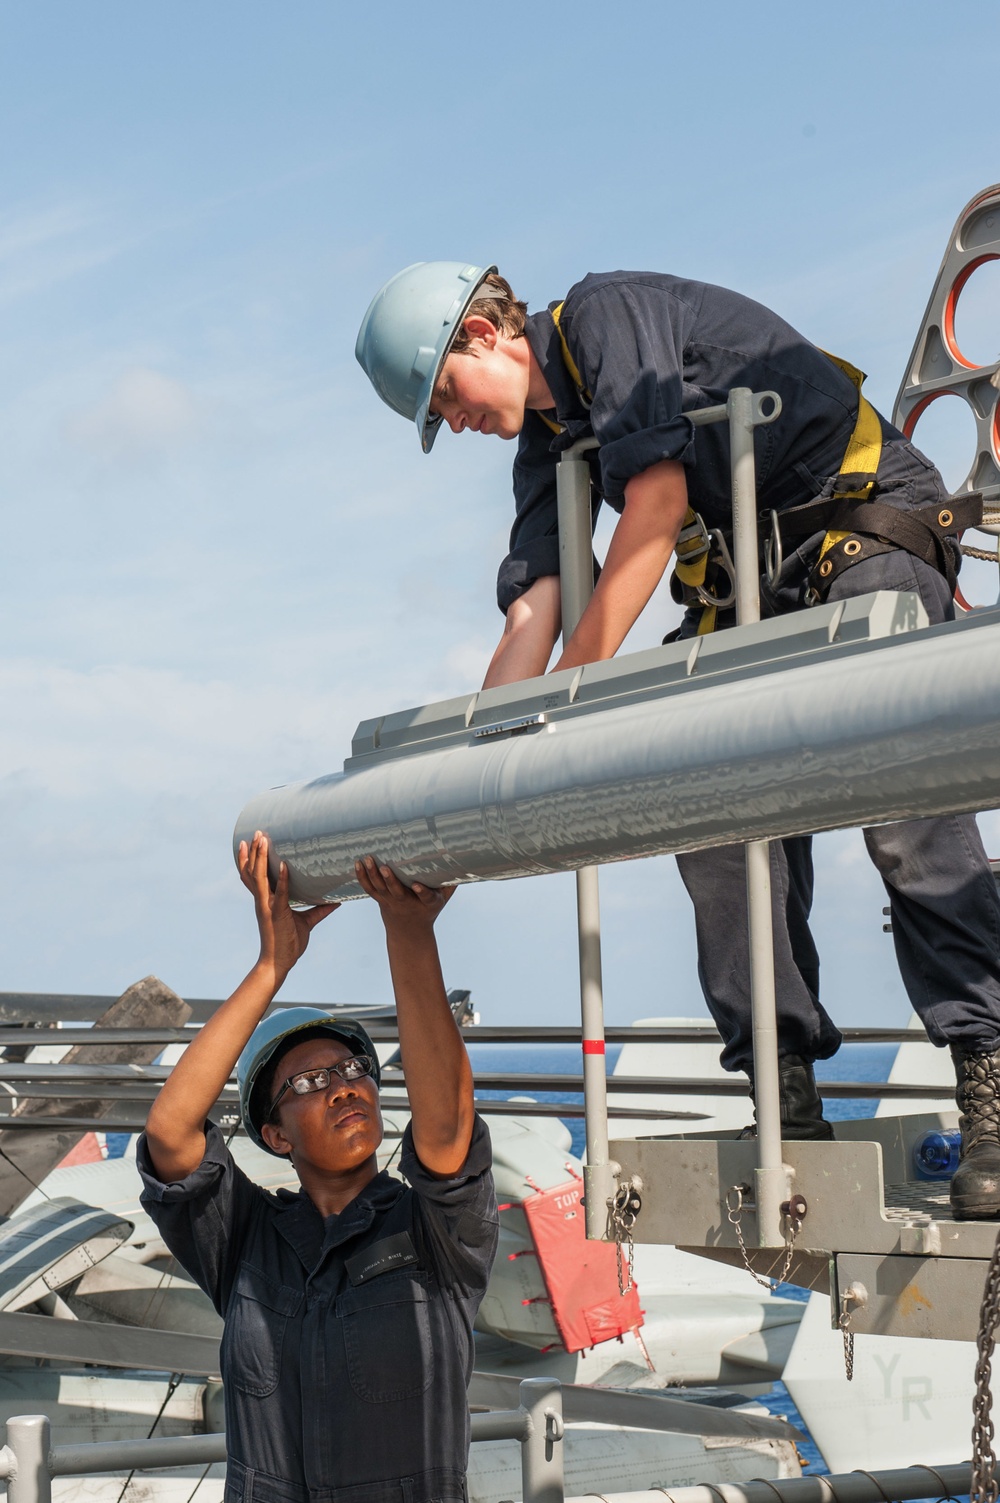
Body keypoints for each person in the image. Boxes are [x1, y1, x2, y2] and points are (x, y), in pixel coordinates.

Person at [356, 260, 1000, 1220]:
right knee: (707, 820)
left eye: (444, 395)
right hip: (750, 586)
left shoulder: (610, 318)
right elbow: (538, 607)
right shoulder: (549, 441)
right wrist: (469, 778)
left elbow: (653, 512)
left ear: (484, 335)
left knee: (904, 810)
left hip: (861, 531)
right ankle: (783, 1092)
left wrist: (569, 700)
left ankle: (988, 1080)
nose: (454, 421)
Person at [139, 832, 498, 1502]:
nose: (342, 1086)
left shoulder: (436, 1233)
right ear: (274, 1134)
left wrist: (408, 931)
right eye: (308, 1083)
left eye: (353, 1068)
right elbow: (170, 1131)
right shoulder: (245, 1240)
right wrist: (273, 964)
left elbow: (446, 1126)